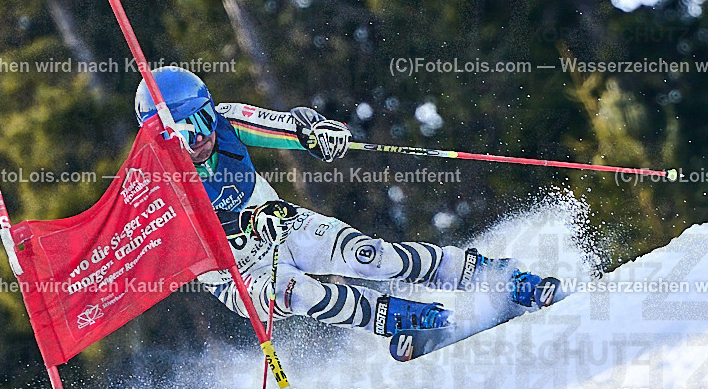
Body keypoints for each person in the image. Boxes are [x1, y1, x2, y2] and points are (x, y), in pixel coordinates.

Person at [134, 66, 554, 338]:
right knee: (297, 293)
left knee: (370, 256)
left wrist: (315, 132)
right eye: (187, 132)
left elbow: (283, 125)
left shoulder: (225, 122)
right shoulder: (155, 183)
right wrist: (248, 223)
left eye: (204, 119)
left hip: (282, 226)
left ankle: (493, 277)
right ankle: (395, 319)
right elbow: (187, 238)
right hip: (236, 273)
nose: (203, 136)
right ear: (163, 138)